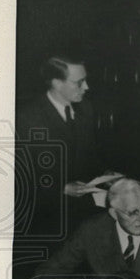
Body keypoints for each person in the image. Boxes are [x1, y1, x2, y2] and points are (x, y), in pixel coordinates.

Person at [16, 55, 112, 236]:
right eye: (79, 82)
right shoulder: (27, 118)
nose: (86, 87)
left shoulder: (86, 108)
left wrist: (105, 173)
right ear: (57, 83)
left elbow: (90, 153)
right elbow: (19, 176)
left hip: (84, 207)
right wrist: (62, 188)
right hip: (45, 213)